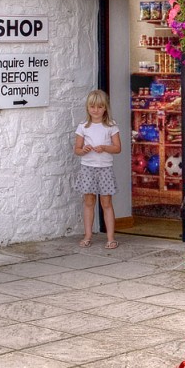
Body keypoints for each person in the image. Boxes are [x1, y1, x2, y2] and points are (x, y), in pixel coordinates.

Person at [73, 89, 121, 249]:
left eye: (99, 107)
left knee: (106, 202)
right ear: (88, 108)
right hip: (88, 168)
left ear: (105, 108)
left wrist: (105, 148)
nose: (96, 110)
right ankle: (87, 235)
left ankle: (110, 237)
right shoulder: (83, 126)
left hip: (105, 168)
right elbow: (77, 149)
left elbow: (117, 148)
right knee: (89, 201)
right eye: (92, 107)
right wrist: (84, 150)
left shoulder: (111, 126)